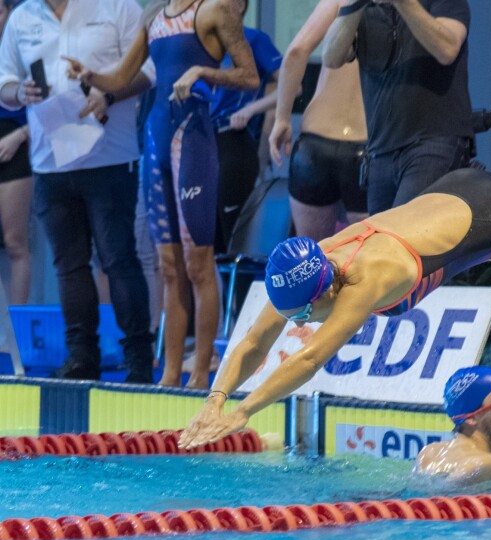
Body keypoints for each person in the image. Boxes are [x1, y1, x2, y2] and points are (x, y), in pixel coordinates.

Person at [179, 167, 491, 449]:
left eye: (299, 316)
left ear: (323, 295)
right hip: (459, 190)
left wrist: (244, 411)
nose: (296, 323)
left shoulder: (366, 279)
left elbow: (310, 357)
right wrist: (215, 400)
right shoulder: (307, 265)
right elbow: (252, 342)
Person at [65, 0, 259, 388]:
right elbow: (121, 78)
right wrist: (91, 76)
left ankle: (202, 375)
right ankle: (170, 374)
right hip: (155, 140)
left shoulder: (214, 11)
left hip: (194, 142)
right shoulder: (153, 17)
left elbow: (250, 76)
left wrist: (203, 70)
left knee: (198, 265)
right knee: (169, 268)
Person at [0, 0, 155, 382]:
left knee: (118, 260)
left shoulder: (119, 7)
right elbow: (4, 82)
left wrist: (110, 94)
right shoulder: (21, 17)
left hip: (110, 157)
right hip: (49, 161)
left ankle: (138, 358)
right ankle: (81, 357)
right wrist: (21, 93)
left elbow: (148, 72)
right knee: (68, 266)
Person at [322, 0, 473, 215]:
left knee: (404, 234)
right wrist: (353, 6)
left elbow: (447, 49)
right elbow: (331, 56)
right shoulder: (366, 9)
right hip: (381, 150)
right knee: (381, 243)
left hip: (434, 142)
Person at [269, 0, 368, 242]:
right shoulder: (405, 8)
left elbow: (296, 52)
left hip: (314, 147)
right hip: (365, 147)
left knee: (313, 261)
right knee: (368, 259)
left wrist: (282, 118)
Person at [211, 0, 282, 253]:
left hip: (234, 141)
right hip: (202, 143)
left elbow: (293, 85)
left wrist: (251, 109)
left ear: (240, 5)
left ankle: (240, 293)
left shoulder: (253, 39)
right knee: (209, 242)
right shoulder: (204, 45)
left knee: (234, 237)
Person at [0, 0, 32, 305]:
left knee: (14, 243)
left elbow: (52, 106)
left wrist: (19, 136)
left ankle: (17, 330)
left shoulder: (24, 46)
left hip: (15, 143)